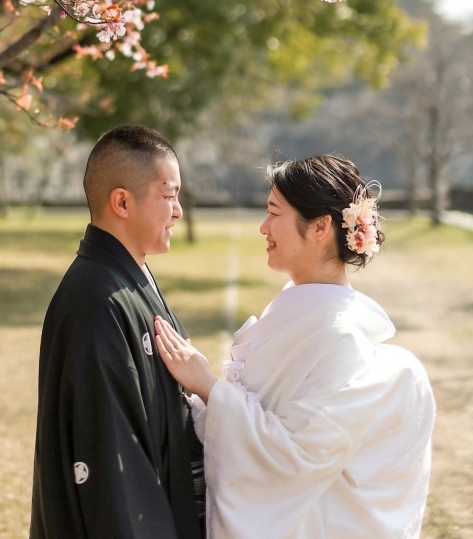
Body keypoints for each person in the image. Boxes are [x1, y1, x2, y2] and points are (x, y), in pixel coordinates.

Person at [154, 154, 435, 539]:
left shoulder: (341, 338)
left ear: (320, 227)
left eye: (274, 213)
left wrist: (208, 387)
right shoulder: (299, 309)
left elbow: (294, 458)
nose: (263, 227)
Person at [29, 123, 205, 539]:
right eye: (168, 195)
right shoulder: (95, 300)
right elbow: (110, 459)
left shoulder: (129, 276)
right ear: (122, 202)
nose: (178, 210)